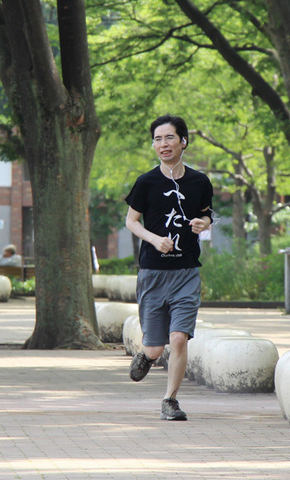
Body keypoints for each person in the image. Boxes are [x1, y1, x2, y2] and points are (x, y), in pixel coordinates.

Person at [125, 114, 213, 421]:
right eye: (157, 139)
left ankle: (170, 400)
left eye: (169, 138)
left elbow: (207, 214)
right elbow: (131, 221)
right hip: (153, 273)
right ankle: (147, 355)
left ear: (183, 142)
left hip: (186, 272)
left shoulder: (199, 182)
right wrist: (153, 239)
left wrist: (204, 223)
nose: (163, 144)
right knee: (154, 349)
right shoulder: (145, 182)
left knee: (178, 338)